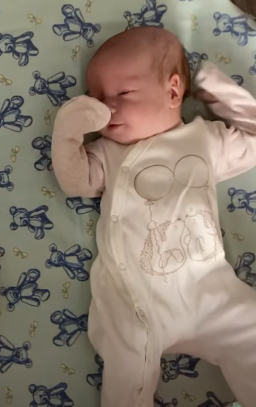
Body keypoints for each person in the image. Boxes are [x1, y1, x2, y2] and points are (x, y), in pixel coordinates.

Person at [52, 26, 256, 407]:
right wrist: (69, 129)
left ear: (174, 91)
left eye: (123, 93)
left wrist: (221, 92)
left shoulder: (204, 140)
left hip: (210, 291)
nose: (107, 108)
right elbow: (75, 180)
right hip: (135, 302)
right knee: (127, 373)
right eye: (96, 98)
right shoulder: (109, 154)